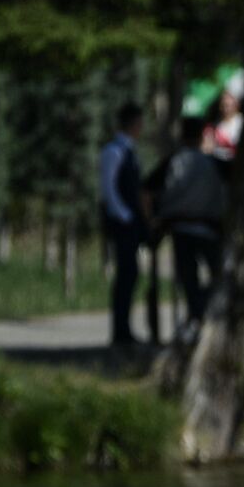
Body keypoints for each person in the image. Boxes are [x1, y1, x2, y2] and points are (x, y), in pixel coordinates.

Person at [144, 116, 226, 325]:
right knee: (220, 276)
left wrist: (152, 219)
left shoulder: (174, 161)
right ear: (201, 136)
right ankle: (200, 312)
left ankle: (196, 313)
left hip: (180, 228)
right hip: (208, 228)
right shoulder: (213, 162)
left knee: (189, 280)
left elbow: (146, 190)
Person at [98, 102, 145, 347]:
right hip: (121, 222)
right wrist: (125, 216)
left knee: (131, 274)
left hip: (129, 221)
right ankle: (120, 330)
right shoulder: (114, 151)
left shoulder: (129, 151)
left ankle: (124, 328)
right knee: (125, 275)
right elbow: (109, 188)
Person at [204, 90, 243, 165]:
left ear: (236, 105)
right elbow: (206, 149)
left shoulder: (241, 122)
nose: (225, 109)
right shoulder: (214, 125)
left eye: (228, 105)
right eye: (223, 105)